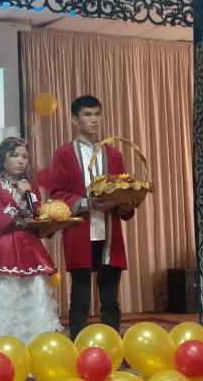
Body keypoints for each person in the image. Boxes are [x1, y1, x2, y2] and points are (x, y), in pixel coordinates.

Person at [50, 95, 139, 339]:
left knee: (110, 300)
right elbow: (57, 194)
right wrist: (88, 203)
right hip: (80, 232)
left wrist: (125, 204)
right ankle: (78, 348)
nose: (94, 120)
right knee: (80, 299)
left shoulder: (114, 153)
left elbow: (123, 192)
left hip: (109, 233)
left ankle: (113, 348)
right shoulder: (64, 154)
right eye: (88, 115)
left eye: (97, 114)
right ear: (74, 119)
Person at [0, 136, 62, 351]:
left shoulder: (32, 188)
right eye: (15, 155)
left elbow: (36, 218)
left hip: (30, 250)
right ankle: (1, 350)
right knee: (5, 299)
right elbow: (0, 222)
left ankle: (35, 349)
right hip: (4, 249)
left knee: (32, 297)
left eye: (25, 157)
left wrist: (51, 224)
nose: (20, 161)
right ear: (3, 159)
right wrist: (19, 198)